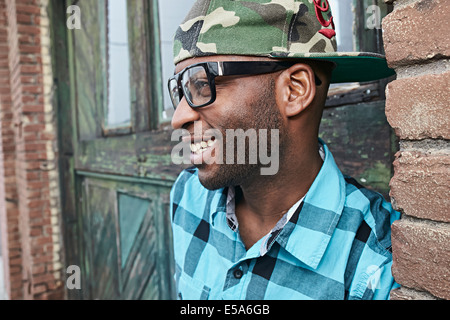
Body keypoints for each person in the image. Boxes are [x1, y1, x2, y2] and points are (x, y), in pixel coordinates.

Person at [169, 0, 400, 300]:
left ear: (294, 90)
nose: (178, 118)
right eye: (181, 90)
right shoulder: (188, 197)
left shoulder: (377, 265)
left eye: (202, 84)